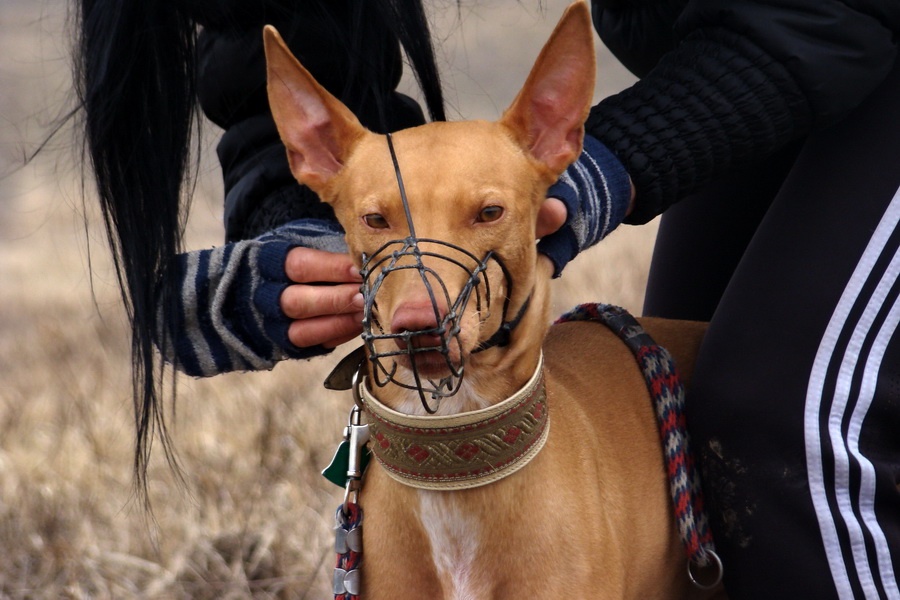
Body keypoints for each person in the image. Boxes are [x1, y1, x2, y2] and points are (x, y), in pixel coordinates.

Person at [75, 0, 900, 598]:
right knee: (675, 426)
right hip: (757, 41)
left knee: (786, 426)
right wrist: (288, 216)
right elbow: (281, 22)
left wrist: (604, 166)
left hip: (844, 26)